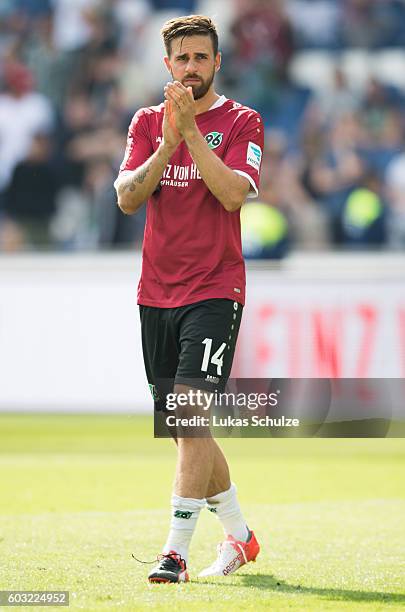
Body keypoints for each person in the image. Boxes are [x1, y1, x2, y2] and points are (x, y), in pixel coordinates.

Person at [114, 14, 264, 584]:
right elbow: (127, 197)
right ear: (167, 64)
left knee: (191, 414)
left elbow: (231, 196)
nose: (192, 67)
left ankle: (174, 551)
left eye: (202, 57)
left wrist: (192, 134)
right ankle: (243, 538)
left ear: (217, 62)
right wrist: (166, 144)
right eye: (183, 59)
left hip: (214, 287)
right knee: (185, 429)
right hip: (156, 291)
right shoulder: (147, 123)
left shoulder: (242, 120)